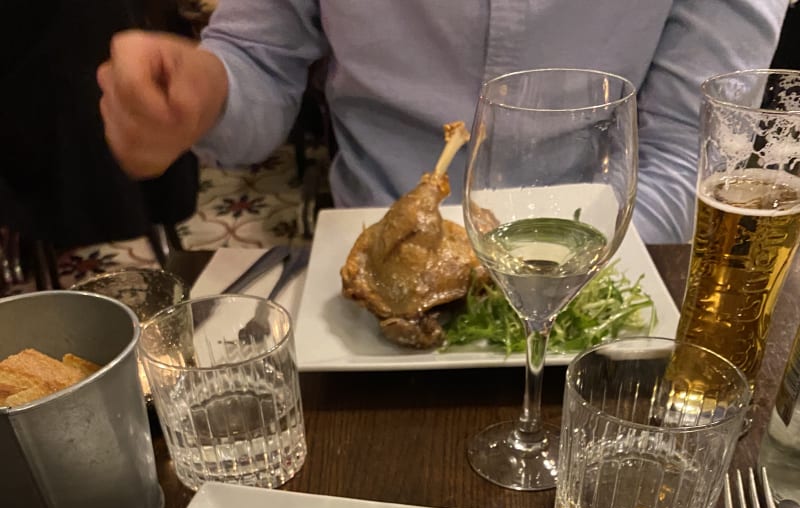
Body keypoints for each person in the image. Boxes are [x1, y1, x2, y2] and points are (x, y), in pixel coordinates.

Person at [97, 0, 790, 245]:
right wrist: (204, 93)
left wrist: (525, 272)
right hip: (366, 270)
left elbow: (684, 156)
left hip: (605, 270)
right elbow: (259, 57)